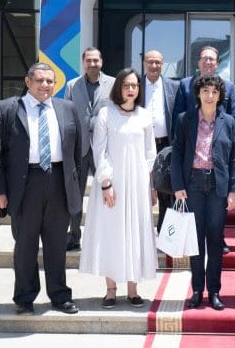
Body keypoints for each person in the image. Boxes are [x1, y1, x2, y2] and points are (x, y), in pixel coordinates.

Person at [0, 62, 82, 315]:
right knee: (25, 244)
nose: (45, 85)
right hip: (25, 183)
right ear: (28, 81)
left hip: (59, 181)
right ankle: (24, 297)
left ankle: (59, 295)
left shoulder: (67, 108)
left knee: (57, 244)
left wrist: (74, 185)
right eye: (40, 80)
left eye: (50, 81)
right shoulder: (7, 109)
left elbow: (76, 152)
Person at [80, 67, 158, 309]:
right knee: (112, 234)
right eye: (126, 85)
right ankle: (111, 290)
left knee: (135, 233)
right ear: (119, 88)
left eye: (135, 85)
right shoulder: (106, 113)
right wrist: (106, 183)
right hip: (112, 184)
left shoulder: (144, 116)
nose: (131, 89)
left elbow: (150, 153)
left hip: (137, 185)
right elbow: (99, 151)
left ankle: (133, 289)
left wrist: (148, 184)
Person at [171, 74, 235, 311]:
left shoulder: (228, 122)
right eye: (205, 91)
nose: (210, 96)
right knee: (195, 239)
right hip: (193, 184)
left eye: (214, 92)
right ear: (198, 94)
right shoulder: (185, 119)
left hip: (218, 186)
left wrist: (234, 190)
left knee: (215, 239)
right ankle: (197, 290)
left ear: (220, 96)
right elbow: (177, 153)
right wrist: (178, 185)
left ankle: (215, 291)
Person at [63, 47, 115, 252]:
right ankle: (74, 235)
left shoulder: (113, 84)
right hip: (79, 148)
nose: (92, 64)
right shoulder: (72, 85)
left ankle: (107, 236)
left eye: (96, 60)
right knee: (75, 194)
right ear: (83, 63)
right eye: (89, 61)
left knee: (108, 191)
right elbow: (66, 116)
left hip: (105, 147)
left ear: (101, 62)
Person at [141, 50, 179, 232]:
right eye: (150, 62)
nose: (154, 66)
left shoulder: (173, 86)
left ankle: (164, 232)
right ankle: (140, 231)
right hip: (140, 145)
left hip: (165, 145)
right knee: (140, 187)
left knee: (165, 189)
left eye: (157, 62)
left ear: (162, 65)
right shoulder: (135, 85)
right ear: (144, 63)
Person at [171, 45, 235, 128]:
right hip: (191, 134)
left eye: (211, 59)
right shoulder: (185, 84)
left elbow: (233, 116)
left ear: (217, 63)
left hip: (219, 133)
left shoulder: (228, 86)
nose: (208, 62)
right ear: (199, 62)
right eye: (204, 58)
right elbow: (177, 115)